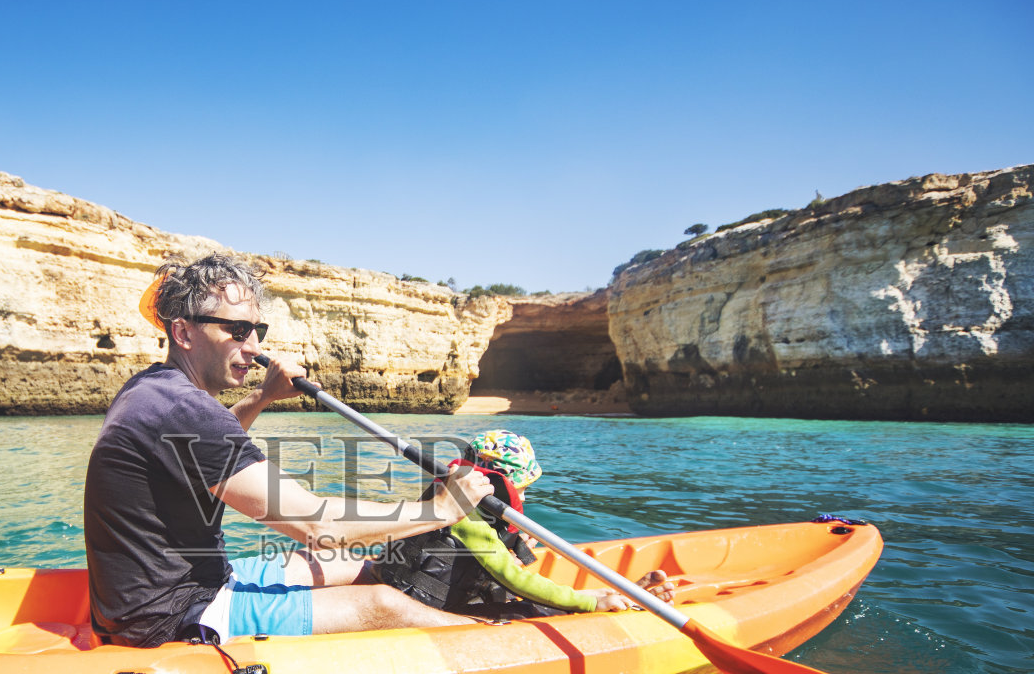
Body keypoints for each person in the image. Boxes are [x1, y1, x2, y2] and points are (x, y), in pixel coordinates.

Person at [83, 253, 496, 647]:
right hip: (170, 615)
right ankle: (495, 637)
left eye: (257, 332)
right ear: (183, 332)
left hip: (178, 587)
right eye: (238, 331)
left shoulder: (152, 389)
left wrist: (262, 396)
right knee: (383, 605)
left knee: (347, 565)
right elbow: (314, 525)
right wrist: (440, 510)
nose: (255, 349)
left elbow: (200, 454)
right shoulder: (183, 408)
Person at [376, 429, 677, 615]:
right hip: (424, 608)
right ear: (497, 484)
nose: (524, 499)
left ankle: (615, 598)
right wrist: (588, 604)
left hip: (422, 594)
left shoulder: (447, 496)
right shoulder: (467, 516)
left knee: (509, 593)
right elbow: (515, 580)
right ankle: (607, 604)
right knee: (528, 608)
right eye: (522, 490)